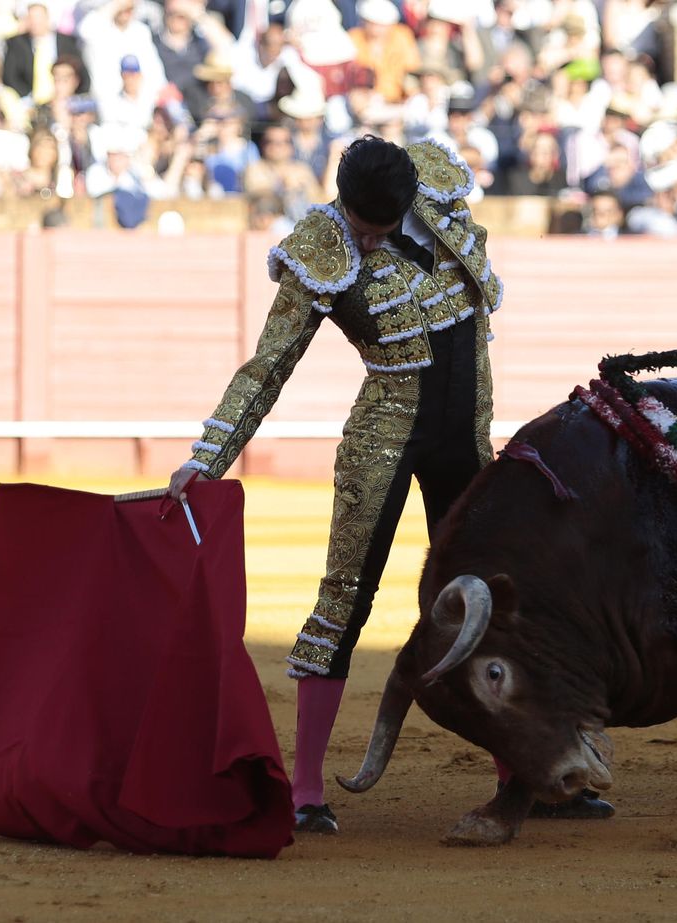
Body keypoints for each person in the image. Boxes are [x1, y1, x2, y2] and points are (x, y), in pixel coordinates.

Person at [166, 136, 613, 834]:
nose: (368, 240)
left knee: (495, 605)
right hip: (383, 440)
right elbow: (268, 366)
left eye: (380, 228)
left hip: (466, 442)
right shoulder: (321, 248)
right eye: (359, 226)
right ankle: (305, 790)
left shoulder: (440, 196)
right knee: (344, 600)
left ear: (409, 203)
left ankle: (527, 773)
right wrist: (208, 455)